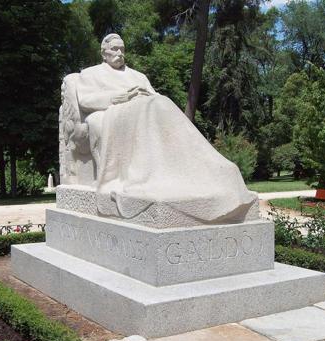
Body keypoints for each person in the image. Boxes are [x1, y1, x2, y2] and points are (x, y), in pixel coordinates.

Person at [75, 33, 256, 223]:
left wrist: (144, 96)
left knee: (161, 102)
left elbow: (153, 96)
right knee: (153, 105)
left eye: (122, 49)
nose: (119, 53)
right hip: (116, 114)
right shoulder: (90, 73)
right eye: (114, 49)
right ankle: (147, 176)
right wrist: (118, 97)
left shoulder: (138, 76)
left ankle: (203, 167)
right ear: (104, 53)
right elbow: (86, 100)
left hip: (144, 112)